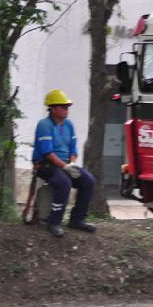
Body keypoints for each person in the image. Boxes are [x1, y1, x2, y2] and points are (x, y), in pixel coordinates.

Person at [33, 89, 97, 237]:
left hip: (65, 164)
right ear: (53, 109)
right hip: (45, 164)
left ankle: (77, 219)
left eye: (67, 107)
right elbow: (47, 153)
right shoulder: (44, 125)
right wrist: (65, 167)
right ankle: (53, 222)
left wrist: (72, 164)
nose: (67, 110)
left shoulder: (69, 125)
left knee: (88, 181)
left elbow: (73, 150)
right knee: (64, 182)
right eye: (63, 107)